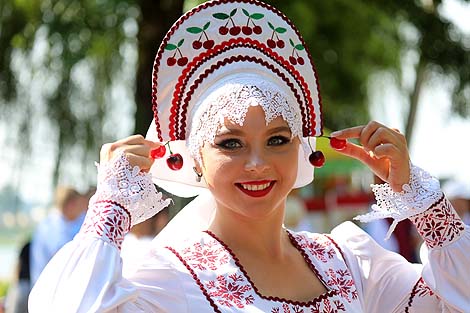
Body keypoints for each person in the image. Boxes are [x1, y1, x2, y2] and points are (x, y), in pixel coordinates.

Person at [29, 0, 468, 312]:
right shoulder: (171, 277)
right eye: (230, 143)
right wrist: (110, 207)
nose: (256, 162)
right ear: (194, 156)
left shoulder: (347, 260)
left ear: (302, 147)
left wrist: (423, 201)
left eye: (277, 139)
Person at [30, 186, 86, 285]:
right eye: (80, 204)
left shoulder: (82, 221)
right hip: (51, 285)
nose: (83, 208)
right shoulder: (48, 229)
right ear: (71, 205)